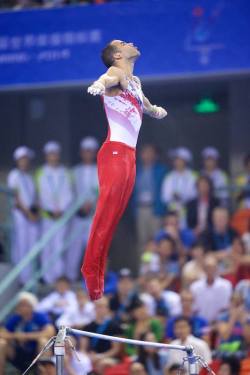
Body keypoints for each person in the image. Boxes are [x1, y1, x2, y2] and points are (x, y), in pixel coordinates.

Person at [82, 40, 167, 300]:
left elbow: (143, 101)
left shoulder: (135, 81)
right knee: (105, 214)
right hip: (114, 153)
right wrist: (99, 84)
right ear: (118, 55)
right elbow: (108, 77)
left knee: (115, 218)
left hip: (129, 157)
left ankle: (99, 272)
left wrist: (152, 110)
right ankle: (90, 270)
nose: (131, 43)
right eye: (123, 43)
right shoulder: (117, 73)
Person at [36, 141, 73, 283]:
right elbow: (41, 193)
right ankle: (47, 277)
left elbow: (68, 193)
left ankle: (58, 277)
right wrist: (50, 209)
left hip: (61, 216)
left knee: (59, 246)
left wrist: (61, 209)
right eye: (50, 154)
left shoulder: (65, 172)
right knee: (47, 246)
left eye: (55, 154)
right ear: (46, 156)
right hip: (47, 216)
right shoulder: (40, 172)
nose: (53, 157)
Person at [66, 136, 99, 281]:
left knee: (93, 249)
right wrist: (79, 205)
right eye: (86, 151)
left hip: (94, 215)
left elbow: (103, 191)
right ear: (81, 152)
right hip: (77, 215)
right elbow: (69, 192)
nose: (88, 154)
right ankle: (71, 277)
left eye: (91, 151)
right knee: (74, 248)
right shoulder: (74, 171)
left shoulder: (100, 169)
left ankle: (92, 280)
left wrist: (92, 203)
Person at [0, 292, 54, 373]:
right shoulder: (15, 317)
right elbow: (3, 334)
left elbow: (50, 332)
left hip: (36, 351)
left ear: (32, 306)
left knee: (43, 342)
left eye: (25, 305)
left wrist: (26, 336)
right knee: (1, 343)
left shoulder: (39, 316)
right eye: (21, 305)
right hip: (18, 352)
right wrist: (16, 336)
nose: (22, 307)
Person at [7, 146, 39, 284]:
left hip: (31, 216)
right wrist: (27, 213)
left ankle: (30, 278)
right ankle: (21, 279)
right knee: (20, 247)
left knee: (31, 246)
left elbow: (34, 197)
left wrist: (34, 213)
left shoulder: (29, 177)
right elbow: (16, 197)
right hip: (20, 215)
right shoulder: (14, 174)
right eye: (22, 159)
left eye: (27, 159)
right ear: (18, 160)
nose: (25, 161)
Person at [134, 144, 167, 250]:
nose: (147, 155)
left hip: (155, 208)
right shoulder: (135, 169)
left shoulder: (161, 170)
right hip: (140, 208)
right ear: (141, 155)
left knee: (157, 238)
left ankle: (156, 265)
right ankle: (144, 265)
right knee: (142, 239)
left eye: (150, 152)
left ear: (155, 155)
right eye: (145, 152)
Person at [190, 255, 232, 322]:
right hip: (200, 323)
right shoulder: (195, 287)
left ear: (217, 268)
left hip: (220, 323)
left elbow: (226, 307)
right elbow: (194, 309)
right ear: (203, 269)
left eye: (213, 267)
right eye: (208, 267)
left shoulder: (226, 285)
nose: (210, 270)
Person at [161, 147, 197, 224]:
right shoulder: (169, 177)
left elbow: (195, 195)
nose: (176, 162)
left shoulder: (193, 176)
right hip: (172, 214)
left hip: (189, 213)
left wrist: (182, 196)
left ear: (185, 161)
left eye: (179, 159)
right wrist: (173, 196)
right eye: (175, 159)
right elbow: (165, 197)